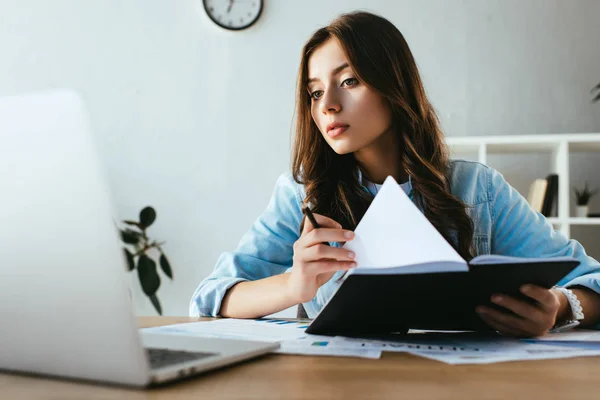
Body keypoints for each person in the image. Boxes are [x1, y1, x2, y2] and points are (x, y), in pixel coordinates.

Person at [190, 11, 600, 337]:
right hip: (338, 385)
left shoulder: (478, 189)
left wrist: (560, 308)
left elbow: (591, 279)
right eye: (315, 92)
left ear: (393, 86)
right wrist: (293, 286)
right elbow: (209, 297)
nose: (327, 105)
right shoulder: (302, 196)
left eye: (348, 80)